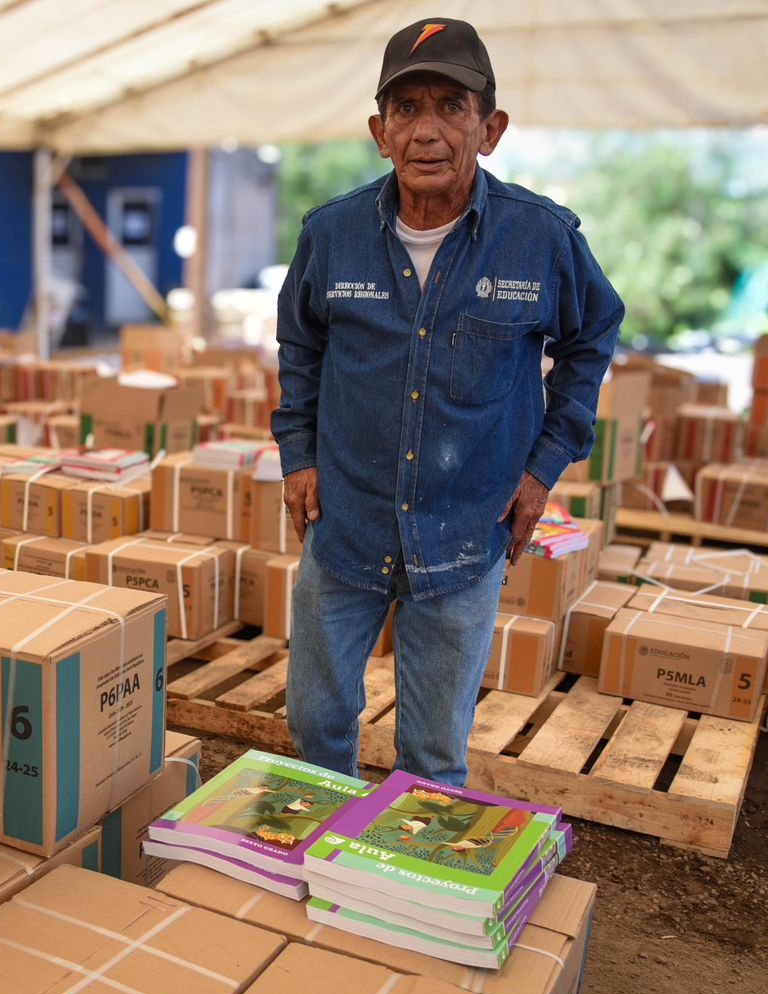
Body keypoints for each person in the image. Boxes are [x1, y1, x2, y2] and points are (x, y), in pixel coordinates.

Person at [272, 17, 623, 784]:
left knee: (432, 754)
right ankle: (325, 871)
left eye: (451, 108)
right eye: (406, 109)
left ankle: (404, 898)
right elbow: (300, 349)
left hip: (468, 533)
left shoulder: (541, 238)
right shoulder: (330, 235)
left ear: (489, 129)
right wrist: (296, 456)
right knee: (315, 722)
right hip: (347, 526)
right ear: (379, 130)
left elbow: (593, 335)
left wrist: (543, 469)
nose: (426, 131)